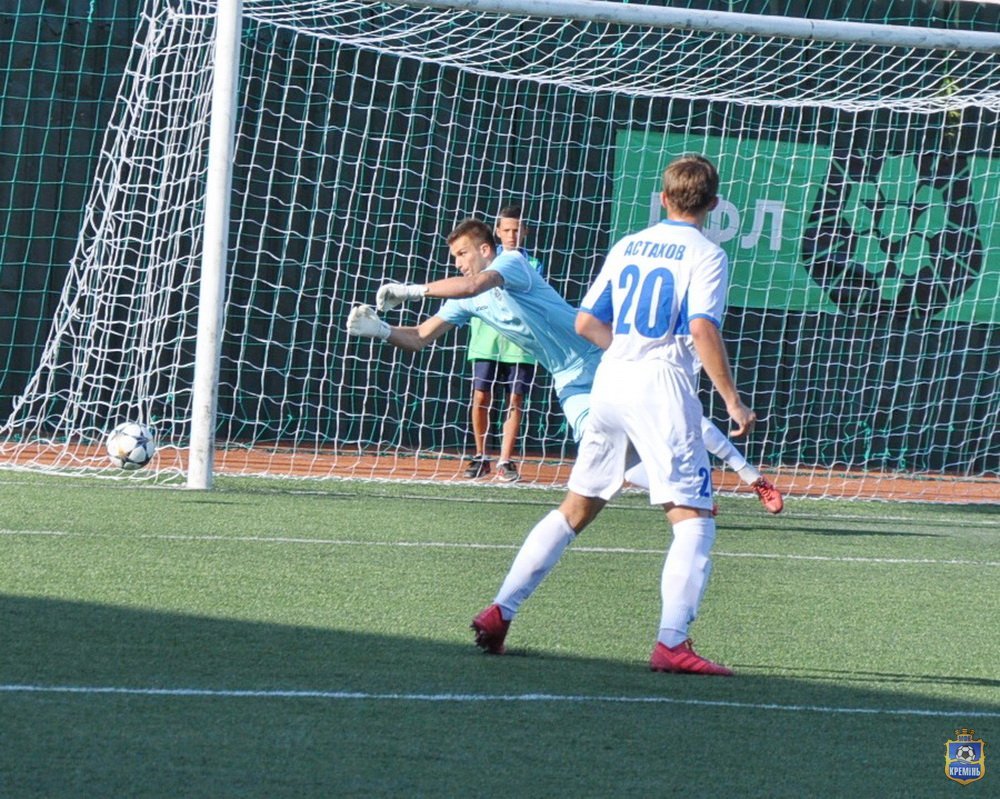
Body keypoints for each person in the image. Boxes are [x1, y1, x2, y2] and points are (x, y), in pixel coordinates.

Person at [470, 155, 752, 675]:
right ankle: (672, 643)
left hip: (611, 380)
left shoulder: (628, 245)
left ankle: (500, 611)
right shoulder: (707, 254)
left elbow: (585, 322)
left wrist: (626, 351)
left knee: (575, 508)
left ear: (663, 199)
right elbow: (702, 328)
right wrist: (732, 399)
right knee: (694, 521)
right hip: (661, 388)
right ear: (713, 205)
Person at [463, 207, 544, 482]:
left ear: (525, 232)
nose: (512, 235)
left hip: (520, 344)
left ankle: (505, 461)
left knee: (515, 399)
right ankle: (481, 456)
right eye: (506, 230)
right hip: (486, 339)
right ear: (497, 232)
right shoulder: (485, 259)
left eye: (517, 230)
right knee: (481, 397)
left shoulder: (532, 265)